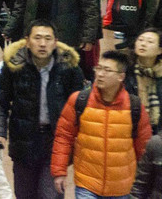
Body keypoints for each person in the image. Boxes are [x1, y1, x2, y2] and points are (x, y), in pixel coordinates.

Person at [0, 19, 85, 199]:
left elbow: (80, 106)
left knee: (49, 194)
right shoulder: (14, 66)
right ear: (27, 41)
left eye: (48, 39)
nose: (42, 44)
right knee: (25, 195)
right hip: (23, 142)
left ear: (55, 42)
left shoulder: (69, 68)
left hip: (55, 142)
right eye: (37, 38)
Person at [51, 51, 153, 198]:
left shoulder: (134, 106)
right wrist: (59, 172)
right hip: (87, 184)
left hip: (122, 188)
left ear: (121, 77)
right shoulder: (79, 100)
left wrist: (144, 184)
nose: (100, 74)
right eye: (98, 68)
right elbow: (63, 137)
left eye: (107, 70)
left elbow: (143, 148)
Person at [125, 28, 162, 134]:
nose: (143, 44)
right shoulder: (125, 69)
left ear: (160, 50)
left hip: (157, 131)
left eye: (150, 42)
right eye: (140, 40)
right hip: (129, 126)